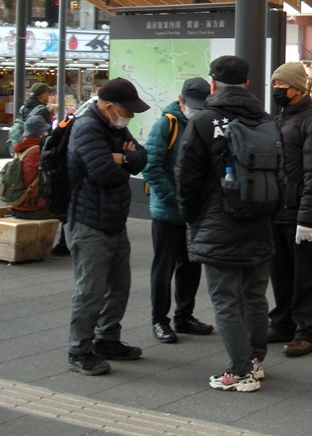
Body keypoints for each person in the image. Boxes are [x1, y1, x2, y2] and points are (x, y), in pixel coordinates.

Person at [176, 56, 274, 392]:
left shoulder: (204, 121)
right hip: (261, 219)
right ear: (247, 83)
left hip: (217, 221)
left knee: (225, 299)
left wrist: (191, 216)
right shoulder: (264, 119)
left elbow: (186, 176)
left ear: (213, 84)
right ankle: (255, 360)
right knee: (255, 296)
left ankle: (240, 371)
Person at [65, 77, 149, 376]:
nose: (131, 117)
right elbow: (104, 173)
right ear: (110, 106)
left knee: (119, 286)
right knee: (90, 291)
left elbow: (142, 158)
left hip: (113, 220)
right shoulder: (87, 128)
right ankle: (79, 350)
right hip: (88, 222)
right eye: (127, 110)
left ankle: (107, 339)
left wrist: (121, 158)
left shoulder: (114, 126)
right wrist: (125, 161)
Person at [267, 61, 312, 358]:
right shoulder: (279, 121)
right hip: (278, 210)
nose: (276, 90)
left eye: (281, 85)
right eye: (274, 84)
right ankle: (282, 322)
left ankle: (307, 330)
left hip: (300, 211)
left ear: (296, 88)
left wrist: (307, 218)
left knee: (305, 274)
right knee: (280, 272)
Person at [143, 77, 213, 344]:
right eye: (193, 105)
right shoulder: (167, 123)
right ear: (181, 100)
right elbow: (151, 166)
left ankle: (184, 316)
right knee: (164, 268)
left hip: (193, 212)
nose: (196, 110)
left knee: (191, 266)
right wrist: (174, 199)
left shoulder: (205, 123)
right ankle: (159, 320)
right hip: (168, 212)